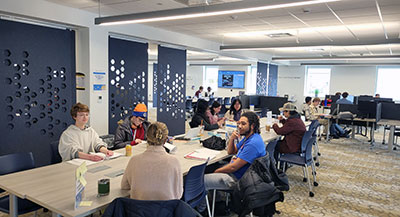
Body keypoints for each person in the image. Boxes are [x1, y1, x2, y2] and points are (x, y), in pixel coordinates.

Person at [197, 112, 266, 212]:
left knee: (200, 180)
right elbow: (231, 151)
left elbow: (234, 167)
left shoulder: (253, 143)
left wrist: (217, 171)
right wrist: (232, 139)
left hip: (238, 180)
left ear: (252, 126)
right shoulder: (249, 137)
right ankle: (218, 202)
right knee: (210, 168)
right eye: (238, 123)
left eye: (243, 124)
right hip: (239, 173)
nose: (239, 126)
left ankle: (201, 210)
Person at [121, 122, 183, 200]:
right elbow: (178, 194)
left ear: (147, 138)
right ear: (165, 140)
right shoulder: (174, 162)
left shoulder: (134, 160)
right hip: (166, 211)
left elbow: (124, 186)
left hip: (139, 210)